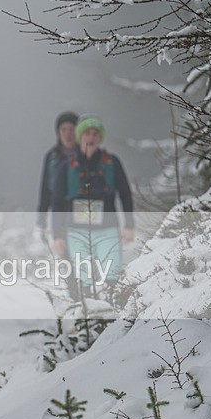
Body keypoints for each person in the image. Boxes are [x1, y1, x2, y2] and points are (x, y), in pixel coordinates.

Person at [51, 114, 134, 300]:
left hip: (108, 229)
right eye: (87, 133)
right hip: (76, 232)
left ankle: (116, 319)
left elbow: (125, 194)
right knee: (83, 280)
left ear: (100, 137)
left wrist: (129, 225)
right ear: (80, 136)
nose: (91, 137)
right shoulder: (66, 167)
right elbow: (57, 202)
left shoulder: (111, 163)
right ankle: (87, 322)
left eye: (95, 133)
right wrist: (57, 235)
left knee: (112, 276)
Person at [36, 111, 78, 235]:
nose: (67, 134)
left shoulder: (86, 155)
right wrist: (41, 218)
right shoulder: (51, 157)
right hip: (59, 210)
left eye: (71, 129)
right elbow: (45, 190)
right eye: (63, 130)